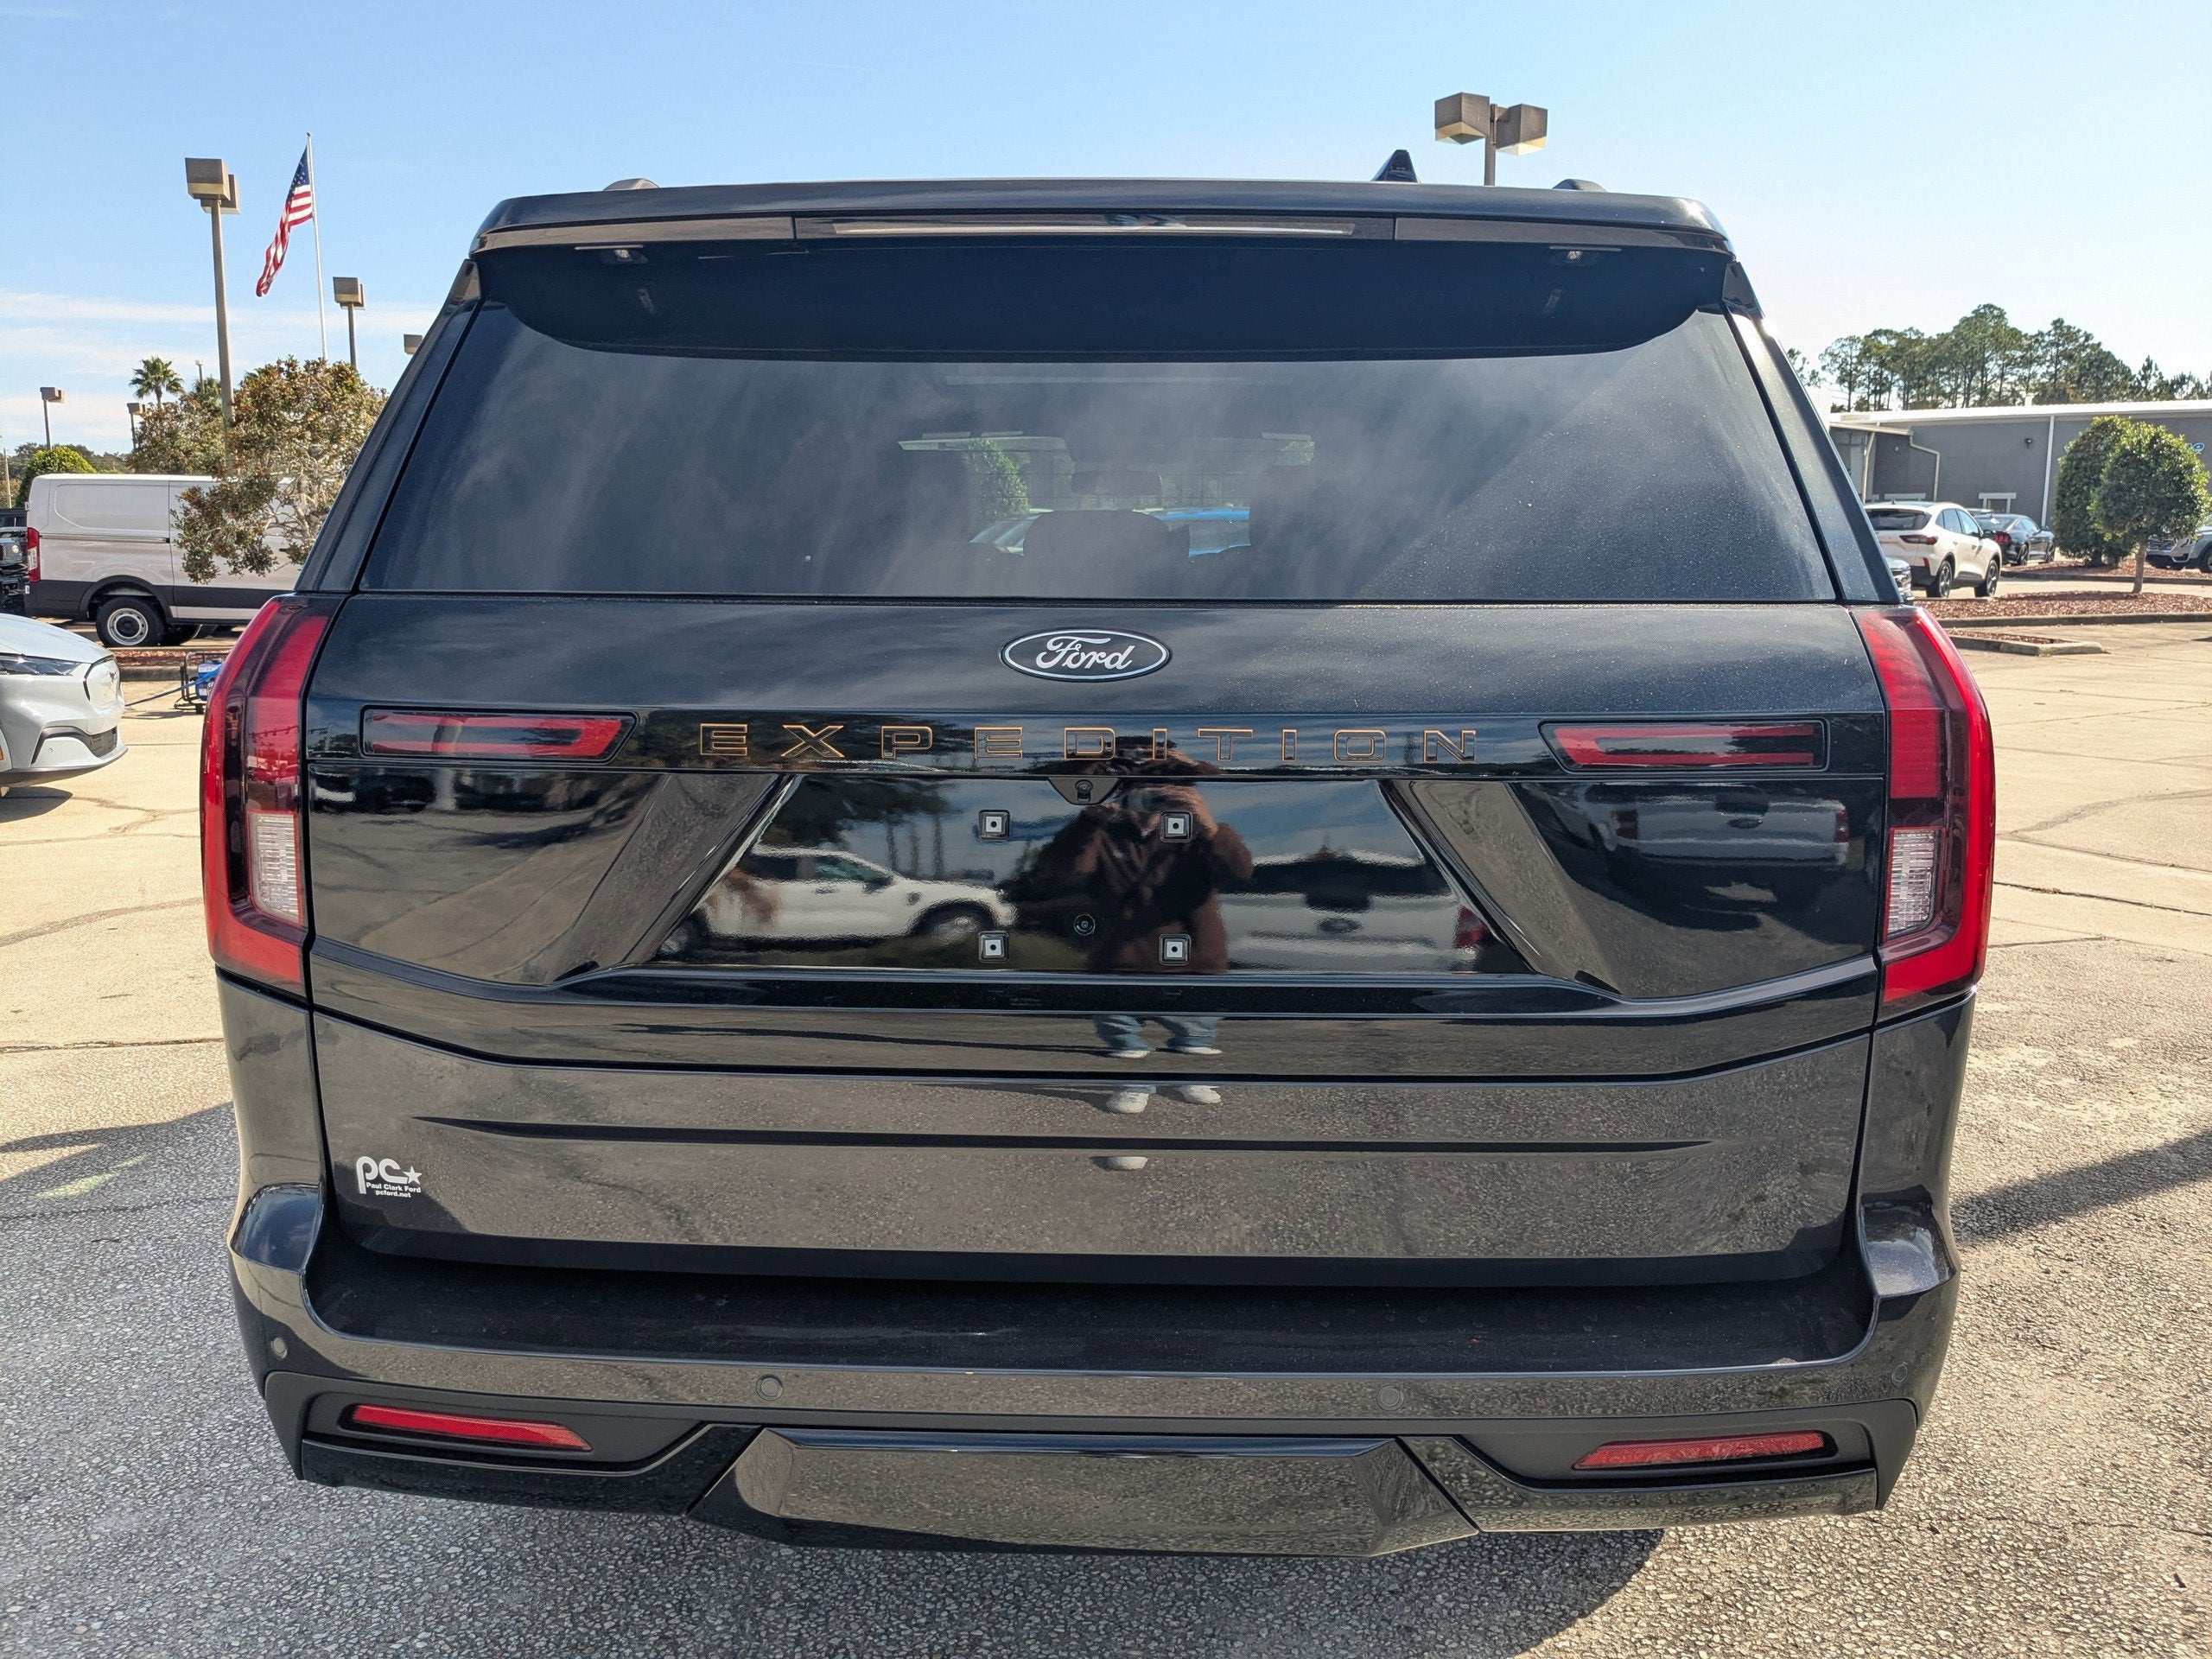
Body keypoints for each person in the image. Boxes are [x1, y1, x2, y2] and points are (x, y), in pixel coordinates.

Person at [1023, 769, 1254, 1059]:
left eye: (1161, 794)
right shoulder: (1105, 834)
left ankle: (1191, 1058)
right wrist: (1089, 820)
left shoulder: (1200, 833)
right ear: (1123, 795)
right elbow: (1058, 868)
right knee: (1122, 1039)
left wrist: (1208, 825)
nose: (1150, 801)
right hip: (1121, 961)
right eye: (1141, 793)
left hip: (1193, 960)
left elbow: (1241, 873)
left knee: (1195, 1039)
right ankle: (1129, 1062)